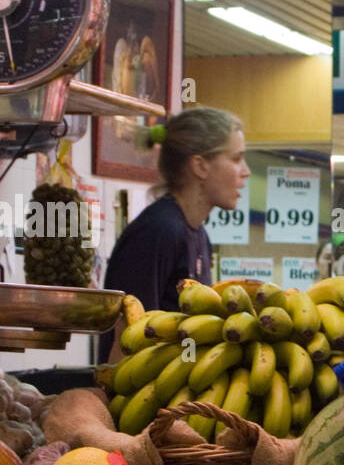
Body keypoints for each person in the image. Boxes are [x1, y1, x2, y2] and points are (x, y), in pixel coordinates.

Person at [98, 108, 249, 362]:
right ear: (200, 166)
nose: (245, 171)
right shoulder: (158, 232)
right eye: (236, 159)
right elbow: (127, 340)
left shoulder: (198, 234)